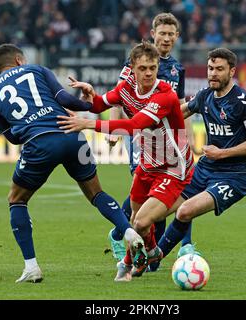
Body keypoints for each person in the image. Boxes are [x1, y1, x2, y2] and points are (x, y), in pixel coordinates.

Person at [0, 43, 144, 283]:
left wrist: (30, 125)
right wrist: (89, 104)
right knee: (96, 193)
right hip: (72, 135)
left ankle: (31, 267)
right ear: (19, 60)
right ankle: (129, 231)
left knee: (16, 199)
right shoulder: (37, 69)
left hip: (40, 144)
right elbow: (65, 99)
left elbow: (12, 136)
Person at [57, 41, 195, 281]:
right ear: (132, 68)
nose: (149, 73)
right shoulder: (126, 87)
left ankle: (135, 260)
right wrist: (92, 96)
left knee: (141, 221)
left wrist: (88, 123)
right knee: (134, 220)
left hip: (173, 167)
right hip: (147, 163)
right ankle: (151, 252)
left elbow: (132, 125)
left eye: (153, 67)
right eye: (143, 68)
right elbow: (102, 103)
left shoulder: (165, 95)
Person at [156, 47, 246, 263]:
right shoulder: (205, 95)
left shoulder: (243, 102)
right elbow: (180, 112)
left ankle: (154, 257)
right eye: (210, 68)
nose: (213, 73)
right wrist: (148, 122)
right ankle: (148, 258)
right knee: (158, 208)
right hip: (206, 168)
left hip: (234, 175)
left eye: (219, 69)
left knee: (185, 211)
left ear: (231, 71)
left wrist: (222, 153)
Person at [106, 13, 195, 268]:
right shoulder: (139, 60)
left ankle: (161, 248)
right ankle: (121, 234)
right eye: (162, 33)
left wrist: (187, 137)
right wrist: (114, 130)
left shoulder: (178, 69)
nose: (166, 38)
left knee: (172, 189)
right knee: (146, 187)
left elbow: (179, 107)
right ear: (153, 33)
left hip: (169, 139)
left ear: (177, 37)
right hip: (140, 135)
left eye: (171, 34)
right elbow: (118, 94)